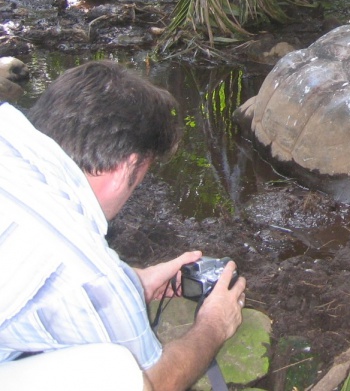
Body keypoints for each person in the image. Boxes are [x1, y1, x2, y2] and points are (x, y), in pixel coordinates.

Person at [0, 60, 246, 391]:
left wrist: (135, 284)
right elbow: (155, 383)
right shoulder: (89, 274)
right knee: (117, 370)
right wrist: (214, 324)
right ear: (127, 166)